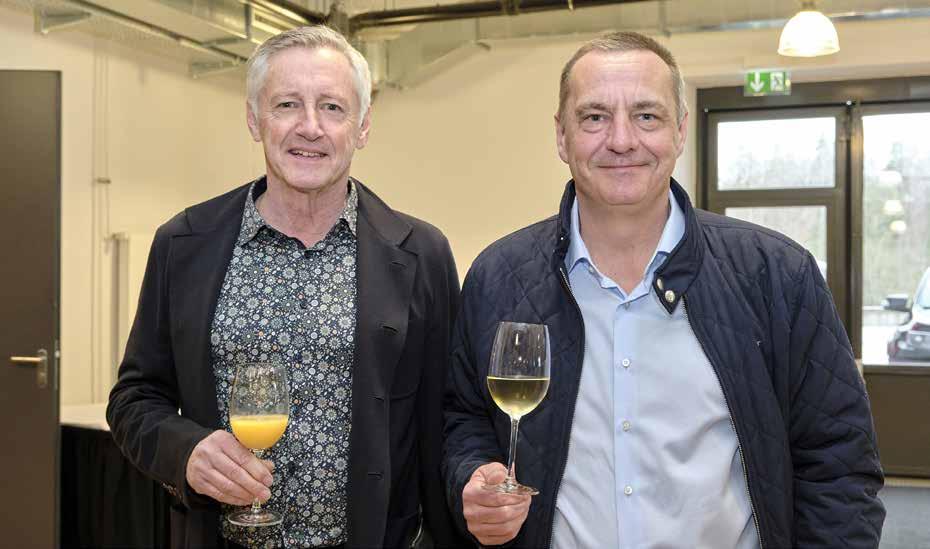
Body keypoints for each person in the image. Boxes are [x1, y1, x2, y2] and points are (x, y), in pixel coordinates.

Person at [442, 31, 885, 548]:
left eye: (647, 116)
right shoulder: (499, 277)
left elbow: (839, 465)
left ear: (679, 131)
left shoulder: (776, 275)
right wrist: (471, 479)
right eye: (594, 117)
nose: (622, 140)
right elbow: (464, 419)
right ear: (562, 136)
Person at [108, 25, 464, 549]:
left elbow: (448, 415)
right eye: (287, 105)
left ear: (363, 126)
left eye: (332, 108)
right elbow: (135, 398)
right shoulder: (184, 244)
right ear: (255, 119)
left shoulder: (421, 255)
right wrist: (186, 453)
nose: (310, 127)